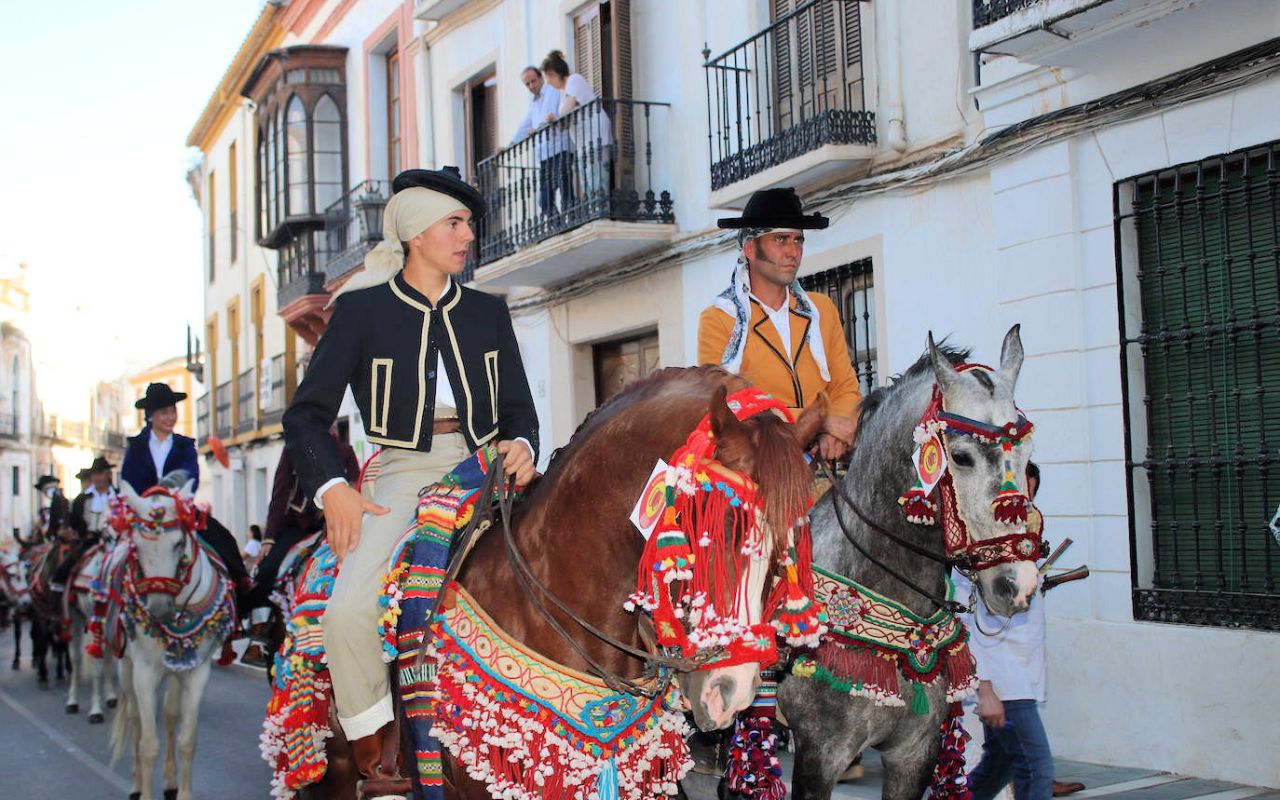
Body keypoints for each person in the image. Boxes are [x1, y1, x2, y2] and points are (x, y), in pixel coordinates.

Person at [282, 166, 539, 797]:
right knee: (346, 612)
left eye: (470, 225)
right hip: (402, 472)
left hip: (487, 467)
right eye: (454, 224)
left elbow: (519, 409)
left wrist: (526, 444)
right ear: (415, 234)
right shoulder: (361, 312)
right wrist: (332, 488)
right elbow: (306, 416)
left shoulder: (487, 312)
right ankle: (379, 756)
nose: (467, 236)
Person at [697, 187, 863, 461]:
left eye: (798, 240)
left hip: (829, 458)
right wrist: (816, 423)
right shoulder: (718, 318)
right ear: (751, 248)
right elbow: (733, 404)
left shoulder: (821, 310)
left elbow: (845, 387)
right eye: (781, 239)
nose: (793, 251)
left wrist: (835, 430)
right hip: (762, 464)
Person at [956, 462, 1083, 800]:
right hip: (1002, 688)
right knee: (1034, 766)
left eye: (1029, 491)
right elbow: (965, 625)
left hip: (1018, 683)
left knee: (1000, 765)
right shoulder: (977, 552)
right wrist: (984, 690)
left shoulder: (1020, 552)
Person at [239, 435, 359, 668]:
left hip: (335, 523)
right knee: (267, 569)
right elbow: (281, 492)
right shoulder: (294, 448)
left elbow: (356, 486)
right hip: (299, 525)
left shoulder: (345, 451)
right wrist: (270, 538)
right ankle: (259, 635)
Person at [121, 382, 250, 591]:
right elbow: (129, 478)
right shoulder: (136, 446)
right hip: (144, 513)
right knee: (120, 553)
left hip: (178, 509)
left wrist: (178, 499)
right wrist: (145, 504)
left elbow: (192, 475)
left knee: (222, 537)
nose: (171, 417)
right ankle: (110, 600)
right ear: (151, 415)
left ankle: (242, 583)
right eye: (164, 412)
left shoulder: (185, 445)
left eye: (173, 411)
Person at [50, 457, 117, 626]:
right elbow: (73, 523)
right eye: (95, 475)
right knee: (62, 570)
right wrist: (69, 532)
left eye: (101, 474)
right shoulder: (81, 499)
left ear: (108, 475)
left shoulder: (119, 496)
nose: (99, 478)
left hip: (115, 543)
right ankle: (58, 613)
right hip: (88, 542)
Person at [540, 49, 612, 201]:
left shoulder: (574, 79)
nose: (547, 82)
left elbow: (569, 106)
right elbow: (565, 123)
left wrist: (555, 118)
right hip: (583, 142)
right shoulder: (562, 92)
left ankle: (600, 212)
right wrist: (555, 121)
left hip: (595, 137)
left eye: (547, 77)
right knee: (588, 181)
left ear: (554, 73)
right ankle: (594, 211)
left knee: (597, 179)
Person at [511, 64, 572, 216]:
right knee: (544, 199)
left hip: (560, 148)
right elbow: (523, 127)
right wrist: (509, 146)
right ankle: (558, 225)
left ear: (540, 79)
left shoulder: (554, 91)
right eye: (527, 84)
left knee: (565, 188)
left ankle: (571, 219)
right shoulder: (533, 104)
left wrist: (550, 121)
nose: (531, 86)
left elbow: (559, 113)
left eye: (533, 81)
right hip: (544, 156)